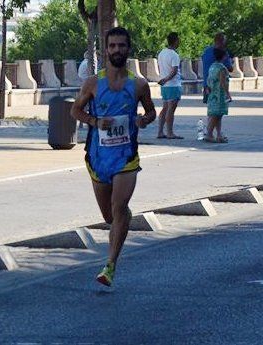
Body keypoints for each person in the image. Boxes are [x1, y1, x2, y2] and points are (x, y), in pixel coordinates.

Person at [70, 27, 157, 287]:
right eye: (113, 46)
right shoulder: (93, 83)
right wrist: (95, 121)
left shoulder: (139, 84)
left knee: (119, 208)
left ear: (128, 49)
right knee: (110, 216)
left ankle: (110, 266)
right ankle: (123, 219)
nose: (117, 50)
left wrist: (144, 120)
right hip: (98, 158)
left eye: (121, 45)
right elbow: (75, 110)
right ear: (106, 50)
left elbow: (152, 111)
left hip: (126, 157)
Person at [156, 32, 184, 139]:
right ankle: (170, 132)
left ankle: (160, 131)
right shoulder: (174, 55)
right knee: (171, 109)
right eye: (178, 40)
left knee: (165, 108)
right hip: (173, 85)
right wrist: (165, 79)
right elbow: (174, 72)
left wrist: (163, 80)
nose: (179, 42)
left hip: (165, 86)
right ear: (175, 41)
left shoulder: (161, 53)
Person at [205, 48, 232, 143]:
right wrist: (228, 94)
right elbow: (222, 82)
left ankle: (219, 135)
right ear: (224, 57)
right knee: (216, 115)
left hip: (212, 93)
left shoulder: (212, 66)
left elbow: (208, 80)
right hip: (220, 94)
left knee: (217, 115)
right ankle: (209, 134)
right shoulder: (222, 68)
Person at [202, 32, 234, 104]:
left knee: (211, 110)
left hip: (206, 85)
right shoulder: (223, 53)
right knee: (218, 111)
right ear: (222, 41)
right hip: (217, 86)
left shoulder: (206, 51)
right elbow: (230, 69)